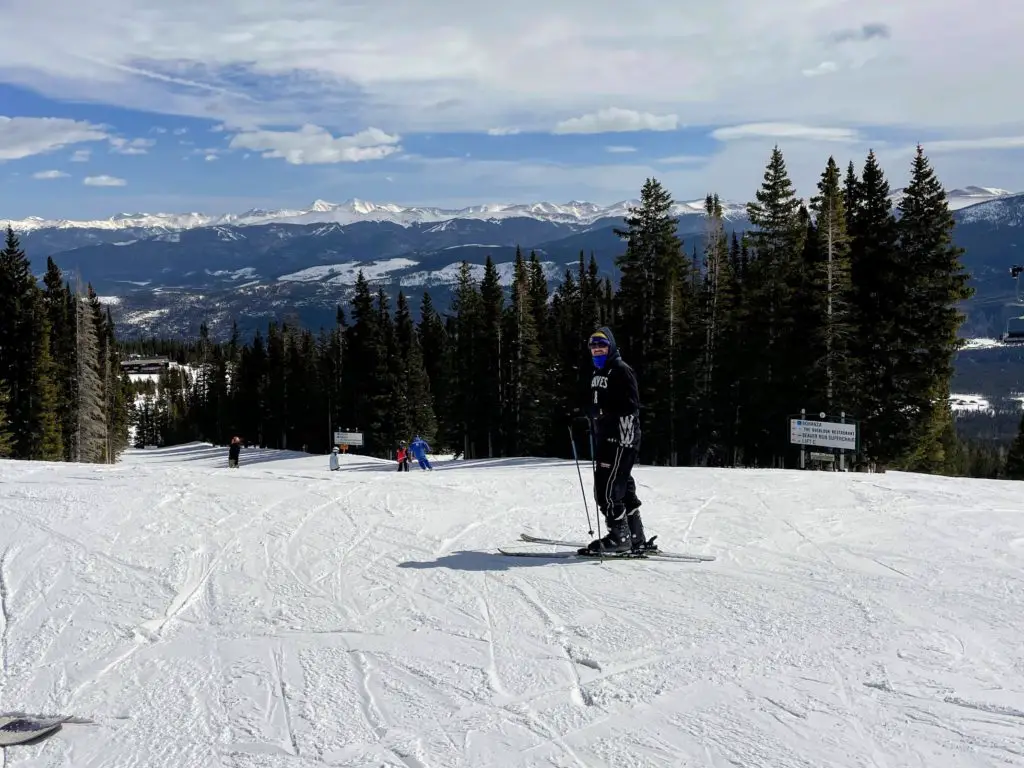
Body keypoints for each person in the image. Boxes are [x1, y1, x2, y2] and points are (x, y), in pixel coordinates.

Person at [582, 326, 650, 554]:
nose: (598, 350)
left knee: (607, 489)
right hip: (607, 435)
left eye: (602, 346)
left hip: (622, 437)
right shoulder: (597, 372)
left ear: (610, 346)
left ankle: (619, 538)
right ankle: (635, 536)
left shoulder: (621, 370)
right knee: (622, 486)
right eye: (594, 347)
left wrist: (602, 411)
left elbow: (631, 405)